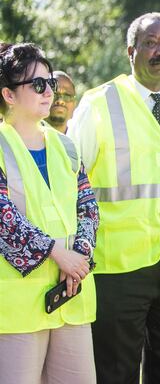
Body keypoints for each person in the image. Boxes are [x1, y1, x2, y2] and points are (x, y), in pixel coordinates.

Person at [68, 12, 160, 384]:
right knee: (113, 371)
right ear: (131, 51)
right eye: (151, 43)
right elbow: (71, 181)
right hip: (117, 265)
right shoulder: (99, 103)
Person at [0, 43, 98, 383]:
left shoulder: (66, 146)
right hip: (16, 309)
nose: (49, 92)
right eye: (37, 85)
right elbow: (3, 218)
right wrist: (59, 254)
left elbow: (87, 207)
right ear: (9, 95)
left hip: (71, 295)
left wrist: (79, 259)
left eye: (50, 83)